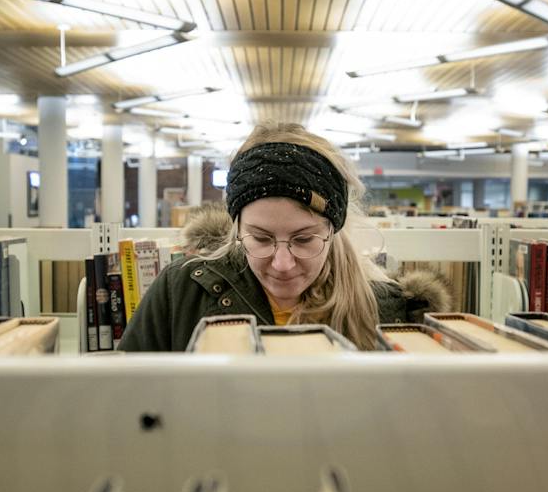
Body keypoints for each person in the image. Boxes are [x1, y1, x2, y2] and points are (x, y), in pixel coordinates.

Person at [119, 123, 449, 352]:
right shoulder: (181, 292)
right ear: (238, 229)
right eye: (260, 239)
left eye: (304, 240)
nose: (282, 264)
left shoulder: (389, 311)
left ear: (333, 230)